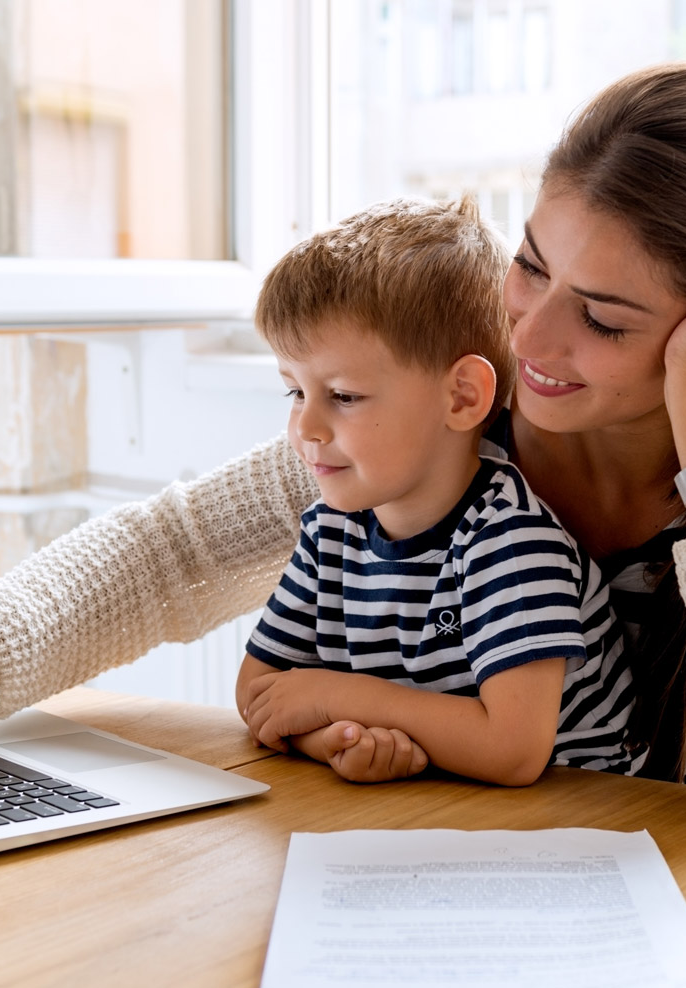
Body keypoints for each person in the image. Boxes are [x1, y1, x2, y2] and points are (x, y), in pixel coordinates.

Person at [0, 60, 686, 988]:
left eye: (606, 319)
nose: (531, 333)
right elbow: (183, 547)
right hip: (473, 922)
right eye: (530, 265)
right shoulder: (468, 396)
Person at [234, 196, 637, 787]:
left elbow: (512, 751)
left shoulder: (512, 543)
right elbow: (262, 694)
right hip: (443, 817)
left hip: (579, 830)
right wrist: (333, 737)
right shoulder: (330, 532)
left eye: (343, 396)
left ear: (462, 397)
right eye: (294, 392)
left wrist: (336, 695)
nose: (306, 428)